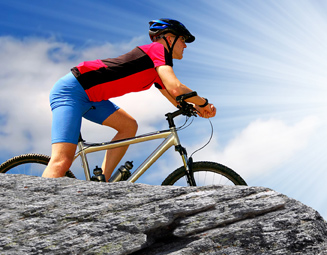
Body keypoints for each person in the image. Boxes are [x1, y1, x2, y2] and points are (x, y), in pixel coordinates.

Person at [42, 18, 217, 179]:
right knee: (62, 161)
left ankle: (101, 182)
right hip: (71, 92)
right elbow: (176, 87)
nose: (185, 46)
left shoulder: (157, 69)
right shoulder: (158, 49)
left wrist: (196, 109)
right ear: (169, 39)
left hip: (92, 98)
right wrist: (204, 102)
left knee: (128, 126)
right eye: (183, 40)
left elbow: (177, 98)